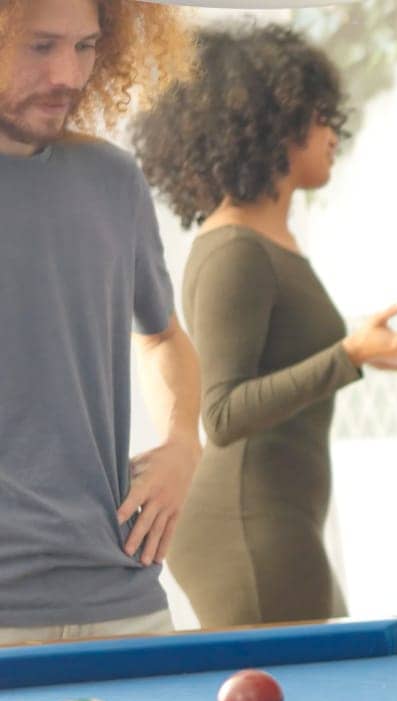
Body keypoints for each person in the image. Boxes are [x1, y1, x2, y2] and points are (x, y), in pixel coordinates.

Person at [132, 25, 397, 627]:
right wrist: (349, 355)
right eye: (321, 116)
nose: (334, 133)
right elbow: (222, 414)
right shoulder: (236, 249)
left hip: (280, 519)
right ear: (272, 125)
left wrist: (363, 351)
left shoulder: (267, 241)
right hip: (247, 525)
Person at [0, 0, 200, 642]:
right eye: (41, 46)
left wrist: (182, 443)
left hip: (123, 595)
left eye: (86, 47)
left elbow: (164, 335)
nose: (68, 74)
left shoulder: (112, 180)